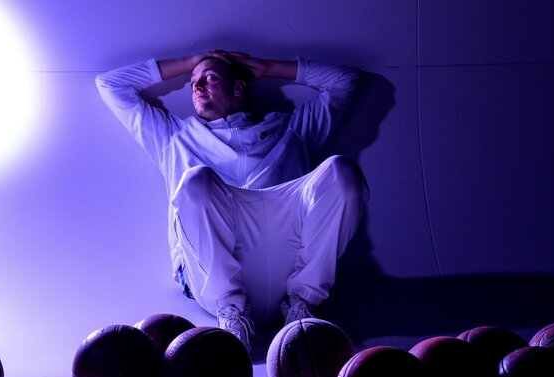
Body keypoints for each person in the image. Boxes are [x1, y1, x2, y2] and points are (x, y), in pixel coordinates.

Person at [96, 50, 368, 351]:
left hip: (289, 259)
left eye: (209, 78)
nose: (196, 87)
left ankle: (301, 307)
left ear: (238, 88)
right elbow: (110, 85)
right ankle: (232, 315)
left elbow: (346, 80)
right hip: (214, 279)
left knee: (342, 172)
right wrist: (192, 63)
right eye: (193, 82)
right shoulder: (174, 136)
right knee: (195, 180)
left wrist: (269, 66)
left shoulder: (290, 129)